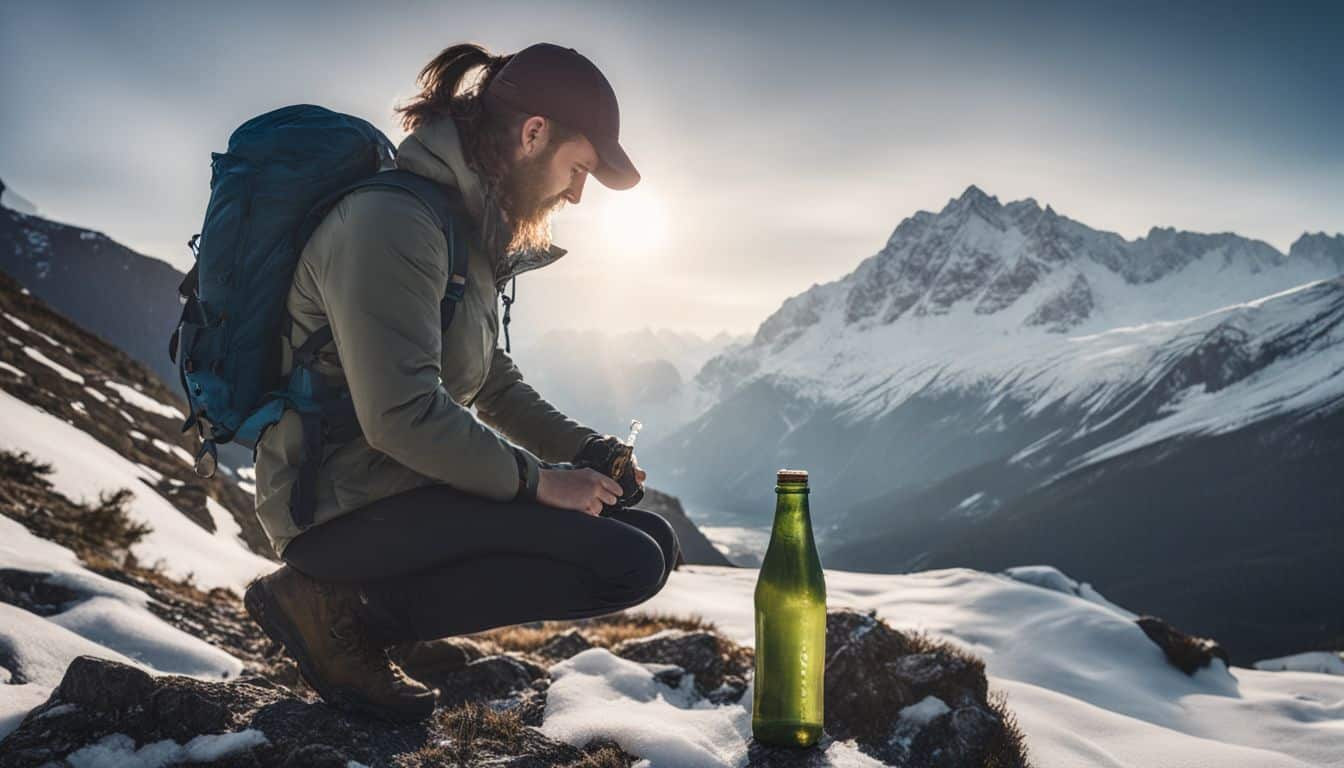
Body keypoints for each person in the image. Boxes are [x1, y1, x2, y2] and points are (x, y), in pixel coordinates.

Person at [243, 42, 680, 722]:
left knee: (653, 540)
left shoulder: (459, 228)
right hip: (336, 507)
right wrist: (541, 482)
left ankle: (391, 619)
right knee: (624, 560)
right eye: (579, 168)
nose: (575, 193)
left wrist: (588, 452)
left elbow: (490, 381)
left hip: (396, 490)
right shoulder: (394, 223)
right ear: (534, 133)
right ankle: (340, 610)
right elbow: (402, 415)